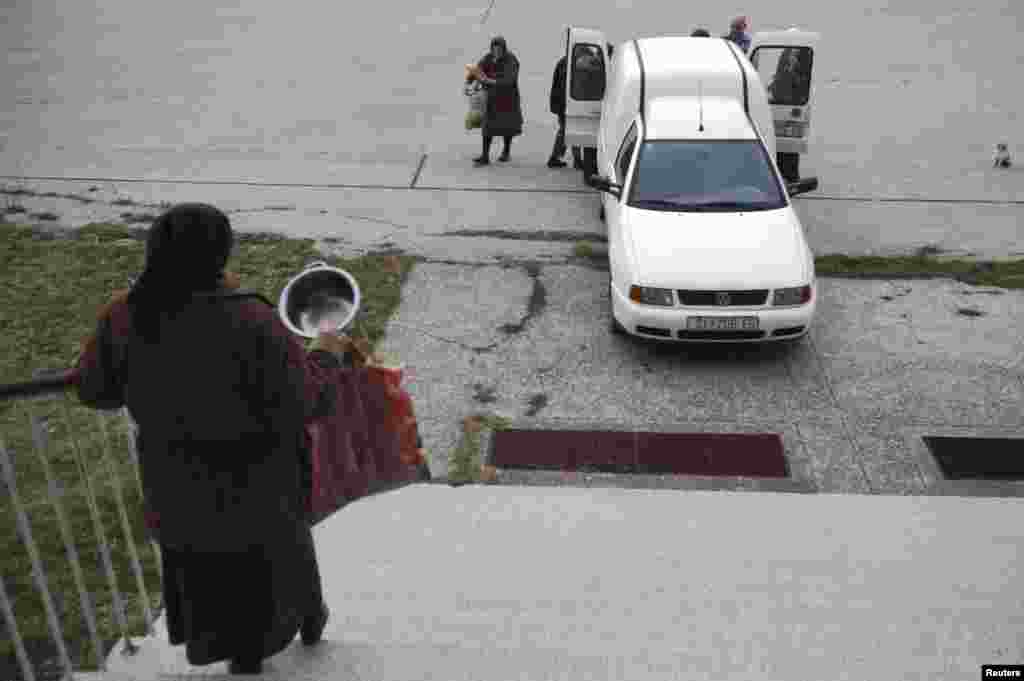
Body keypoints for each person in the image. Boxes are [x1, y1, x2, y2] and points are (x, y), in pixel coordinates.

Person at [75, 203, 340, 675]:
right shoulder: (252, 318)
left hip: (177, 486)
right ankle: (284, 637)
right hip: (260, 486)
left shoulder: (125, 315)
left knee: (212, 583)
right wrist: (325, 356)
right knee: (268, 575)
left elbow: (96, 390)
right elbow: (304, 401)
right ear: (221, 255)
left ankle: (245, 652)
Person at [473, 36, 524, 166]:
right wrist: (474, 78)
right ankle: (485, 156)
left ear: (503, 49)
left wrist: (491, 81)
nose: (496, 52)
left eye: (499, 50)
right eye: (494, 49)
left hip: (507, 100)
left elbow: (510, 79)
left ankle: (506, 152)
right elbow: (478, 68)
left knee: (507, 127)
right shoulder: (488, 57)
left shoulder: (511, 60)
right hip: (491, 99)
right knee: (487, 127)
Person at [546, 54, 583, 169]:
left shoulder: (566, 61)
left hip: (563, 103)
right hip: (565, 104)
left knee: (567, 130)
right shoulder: (568, 63)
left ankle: (558, 157)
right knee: (569, 130)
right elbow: (565, 86)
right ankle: (560, 158)